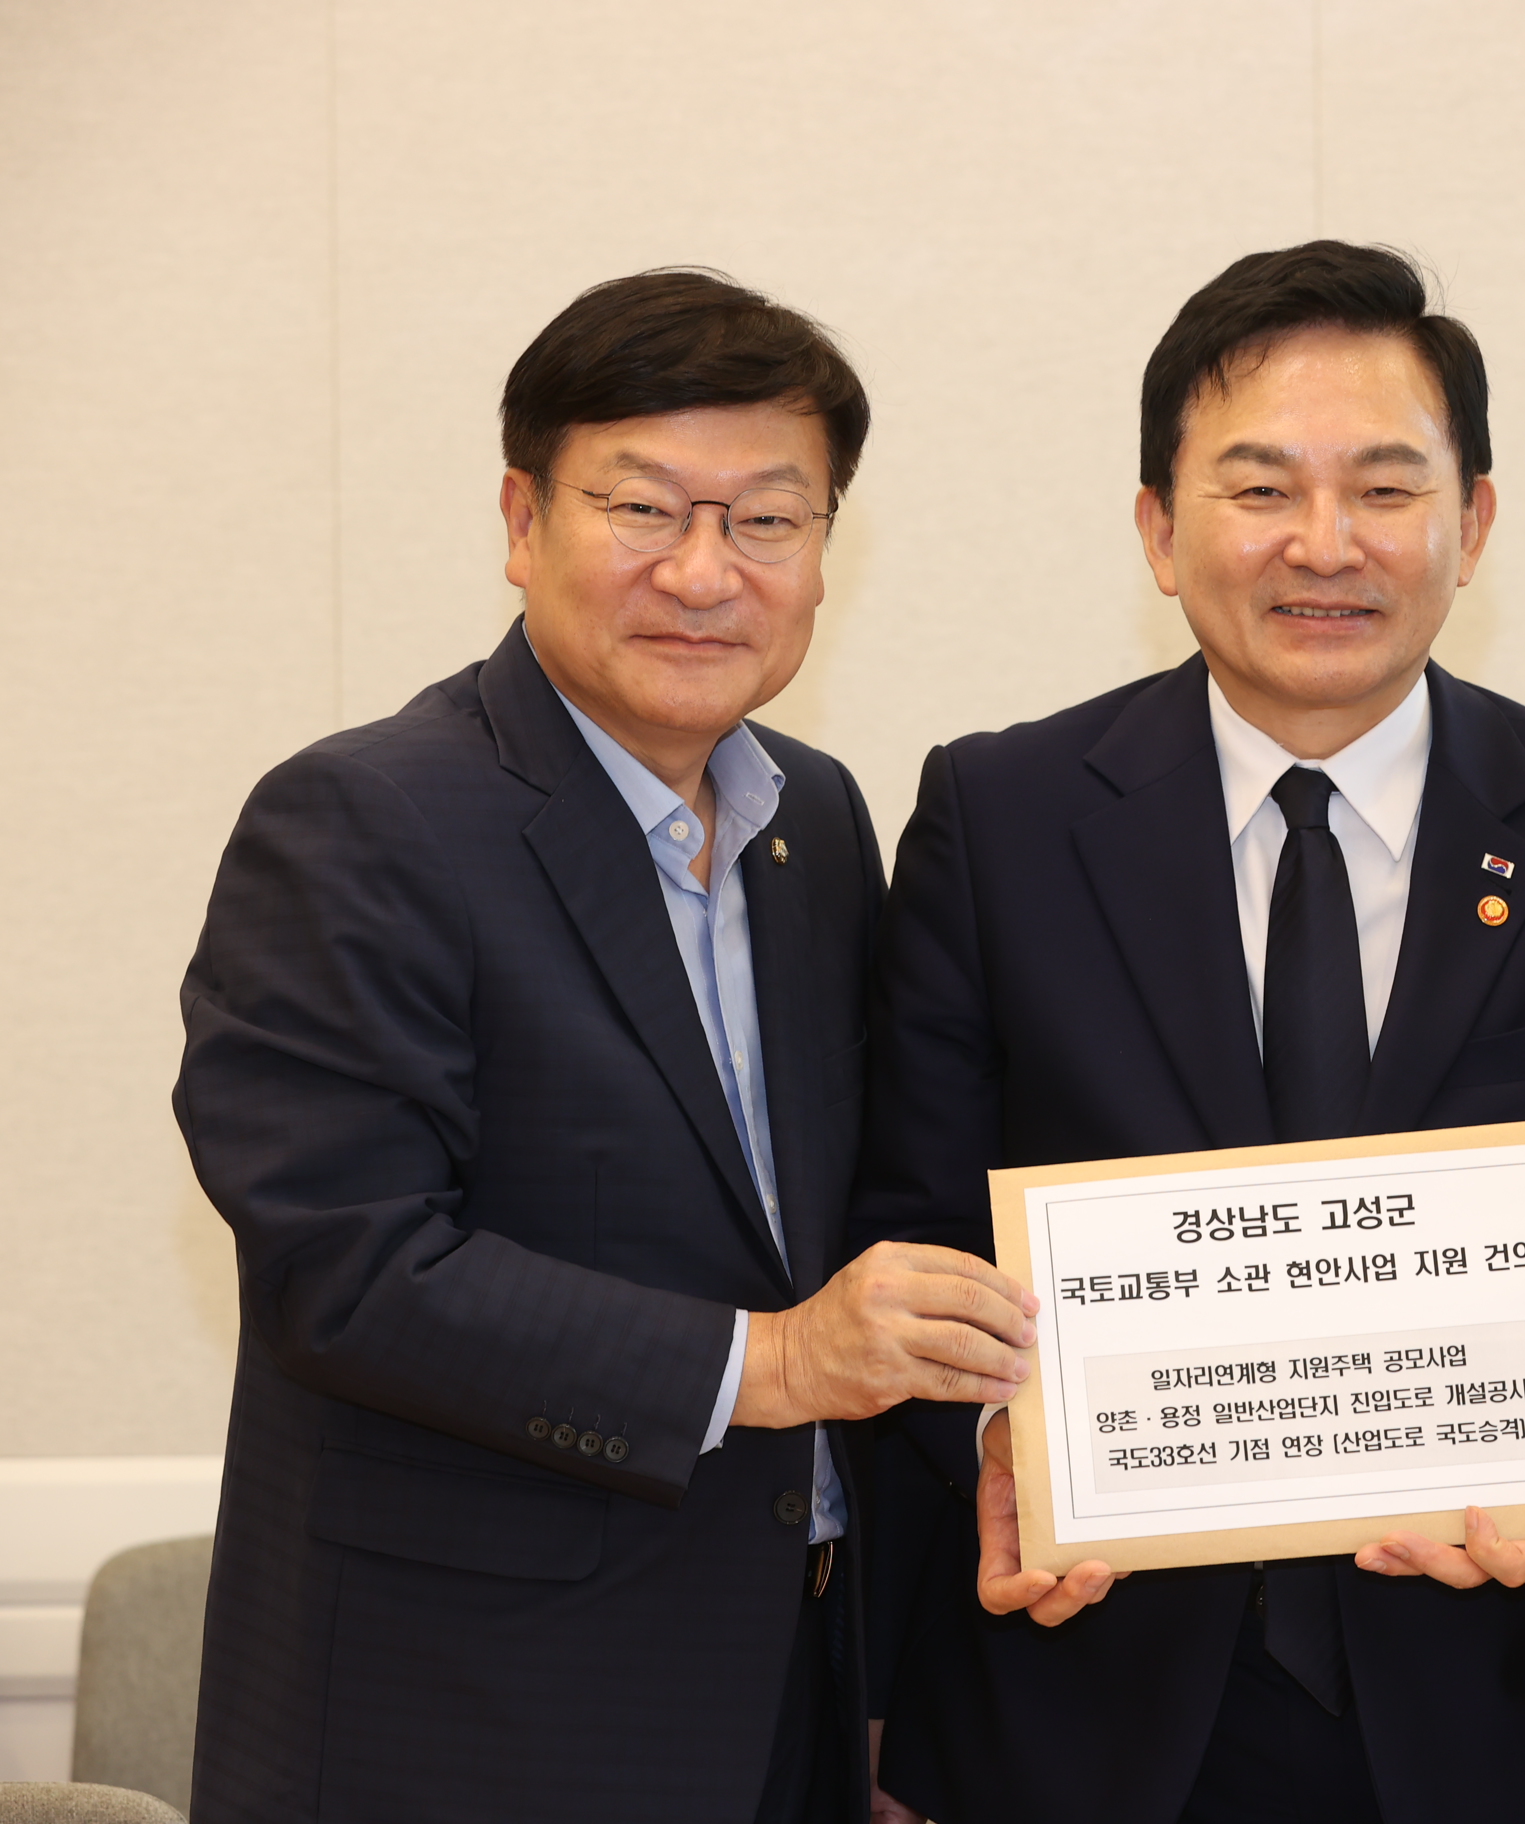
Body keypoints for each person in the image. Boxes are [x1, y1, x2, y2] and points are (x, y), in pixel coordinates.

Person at [847, 240, 1525, 1824]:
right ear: (1158, 532)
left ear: (1475, 523)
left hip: (1497, 1711)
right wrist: (1003, 1442)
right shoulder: (1002, 817)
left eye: (1385, 488)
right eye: (1260, 490)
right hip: (1083, 1706)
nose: (1325, 543)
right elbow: (916, 1226)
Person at [174, 268, 1038, 1824]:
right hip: (462, 1730)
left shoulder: (818, 822)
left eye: (766, 519)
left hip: (784, 1701)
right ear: (522, 520)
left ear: (825, 551)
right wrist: (772, 1361)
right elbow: (345, 1271)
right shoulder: (364, 822)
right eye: (643, 508)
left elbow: (845, 1238)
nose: (704, 571)